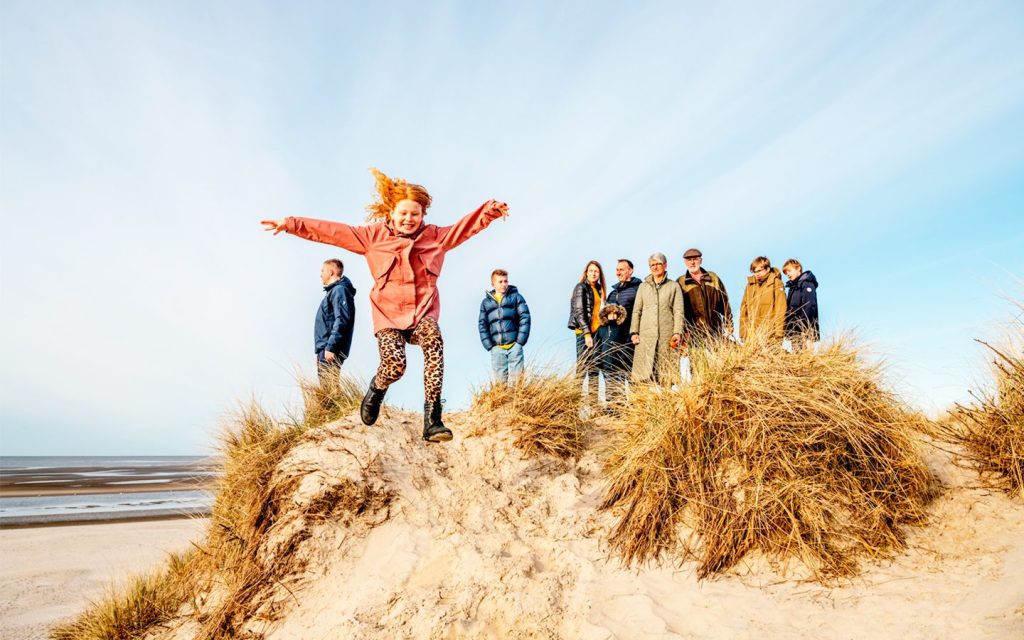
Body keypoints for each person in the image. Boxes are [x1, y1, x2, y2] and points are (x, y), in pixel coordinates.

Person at [262, 168, 509, 443]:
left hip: (422, 314)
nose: (408, 219)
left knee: (434, 341)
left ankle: (433, 420)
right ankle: (376, 390)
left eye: (415, 214)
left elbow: (465, 228)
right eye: (403, 213)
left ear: (423, 215)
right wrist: (291, 224)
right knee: (395, 366)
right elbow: (332, 232)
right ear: (391, 212)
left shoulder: (435, 237)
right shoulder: (373, 237)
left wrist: (490, 211)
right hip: (388, 317)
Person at [629, 253, 684, 385]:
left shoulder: (674, 286)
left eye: (658, 264)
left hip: (666, 335)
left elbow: (678, 311)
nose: (655, 267)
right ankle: (644, 404)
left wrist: (677, 332)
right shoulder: (643, 287)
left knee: (666, 375)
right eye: (652, 265)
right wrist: (634, 332)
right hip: (645, 336)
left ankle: (664, 404)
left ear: (665, 265)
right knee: (643, 377)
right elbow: (637, 311)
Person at [600, 259, 642, 407]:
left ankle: (637, 406)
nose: (618, 272)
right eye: (617, 270)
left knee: (631, 372)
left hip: (631, 336)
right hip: (614, 338)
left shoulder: (639, 288)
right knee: (613, 371)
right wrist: (609, 316)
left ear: (630, 271)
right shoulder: (613, 293)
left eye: (622, 269)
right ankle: (615, 407)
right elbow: (605, 315)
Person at [478, 269, 531, 385]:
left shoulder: (516, 297)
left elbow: (525, 317)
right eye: (500, 282)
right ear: (493, 284)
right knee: (500, 386)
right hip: (497, 349)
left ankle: (518, 403)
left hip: (514, 347)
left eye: (505, 281)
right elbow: (482, 325)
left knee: (518, 385)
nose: (504, 284)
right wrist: (490, 346)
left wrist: (519, 342)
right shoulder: (486, 303)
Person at [568, 260, 606, 404]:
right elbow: (579, 312)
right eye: (591, 270)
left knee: (594, 370)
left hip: (596, 333)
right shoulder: (581, 287)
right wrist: (587, 334)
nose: (593, 273)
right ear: (586, 272)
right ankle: (572, 407)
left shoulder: (598, 289)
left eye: (596, 271)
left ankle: (594, 408)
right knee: (582, 369)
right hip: (585, 334)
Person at [315, 259, 357, 383]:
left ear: (331, 272)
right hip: (326, 348)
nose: (320, 274)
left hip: (330, 347)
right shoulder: (334, 291)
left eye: (323, 270)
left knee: (329, 389)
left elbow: (342, 319)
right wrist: (320, 351)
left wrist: (330, 347)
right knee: (327, 387)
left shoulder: (339, 290)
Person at [738, 256, 787, 344]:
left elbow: (781, 309)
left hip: (771, 335)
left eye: (759, 271)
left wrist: (779, 334)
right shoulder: (750, 285)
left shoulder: (777, 283)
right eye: (754, 271)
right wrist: (743, 333)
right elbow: (743, 310)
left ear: (767, 269)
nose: (757, 274)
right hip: (751, 335)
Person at [782, 258, 820, 350]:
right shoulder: (793, 287)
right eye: (786, 272)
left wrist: (805, 327)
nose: (787, 274)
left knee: (805, 356)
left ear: (798, 268)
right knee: (797, 356)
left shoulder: (806, 284)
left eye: (789, 271)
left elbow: (810, 306)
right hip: (794, 329)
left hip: (805, 329)